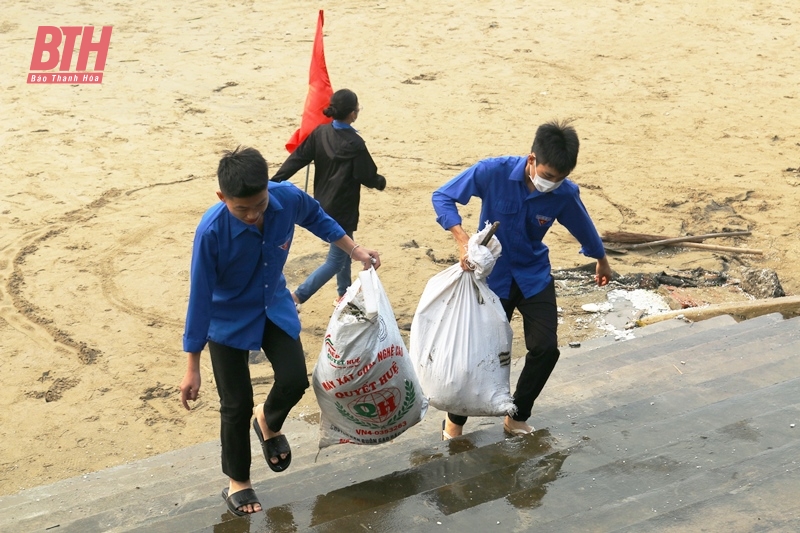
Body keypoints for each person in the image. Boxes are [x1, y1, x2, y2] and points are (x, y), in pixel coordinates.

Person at [180, 146, 381, 516]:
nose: (254, 214)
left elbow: (318, 217)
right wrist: (192, 364)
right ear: (222, 198)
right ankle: (238, 480)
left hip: (273, 304)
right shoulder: (210, 232)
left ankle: (268, 422)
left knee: (294, 380)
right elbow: (200, 297)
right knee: (235, 403)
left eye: (259, 203)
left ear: (269, 187)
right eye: (242, 209)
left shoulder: (285, 197)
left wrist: (354, 250)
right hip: (226, 320)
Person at [431, 119, 612, 439]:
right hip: (490, 278)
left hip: (533, 275)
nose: (552, 184)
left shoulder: (564, 193)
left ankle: (516, 416)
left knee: (545, 349)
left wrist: (601, 260)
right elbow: (443, 197)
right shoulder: (492, 172)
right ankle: (454, 423)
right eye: (548, 176)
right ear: (532, 160)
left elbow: (583, 226)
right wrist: (461, 238)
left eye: (560, 179)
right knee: (477, 354)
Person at [270, 88, 386, 309]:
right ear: (353, 113)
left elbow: (297, 159)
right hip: (344, 207)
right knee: (336, 259)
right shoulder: (355, 143)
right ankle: (297, 297)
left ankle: (343, 295)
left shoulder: (319, 133)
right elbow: (366, 175)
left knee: (344, 251)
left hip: (321, 205)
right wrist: (380, 182)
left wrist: (274, 181)